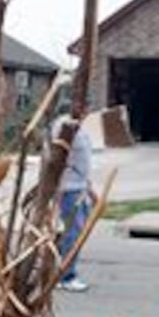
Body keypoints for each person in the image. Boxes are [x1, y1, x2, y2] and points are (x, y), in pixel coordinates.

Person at [50, 107, 95, 292]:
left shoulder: (80, 128)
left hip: (80, 185)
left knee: (79, 230)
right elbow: (58, 159)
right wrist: (58, 187)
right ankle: (66, 276)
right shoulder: (64, 126)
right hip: (68, 188)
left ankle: (59, 269)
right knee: (72, 232)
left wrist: (89, 187)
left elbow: (82, 160)